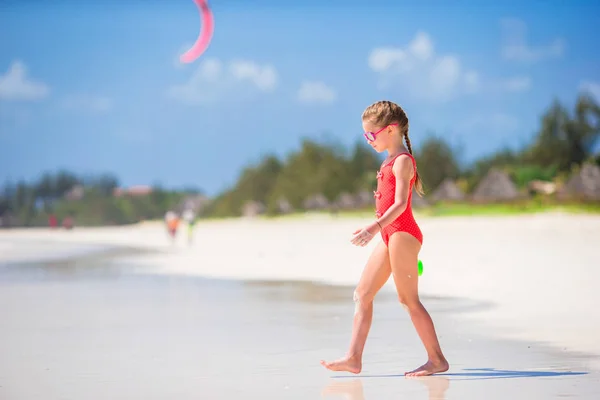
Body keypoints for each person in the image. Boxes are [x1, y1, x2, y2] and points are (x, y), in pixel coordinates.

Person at [320, 100, 449, 377]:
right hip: (391, 235)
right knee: (363, 293)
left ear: (390, 130)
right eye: (365, 135)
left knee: (408, 300)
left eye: (371, 134)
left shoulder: (402, 161)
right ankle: (353, 358)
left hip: (402, 234)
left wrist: (373, 227)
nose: (368, 140)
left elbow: (401, 204)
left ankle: (437, 359)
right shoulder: (389, 160)